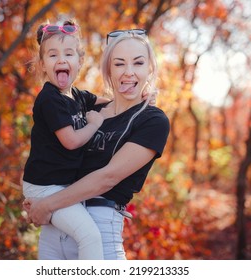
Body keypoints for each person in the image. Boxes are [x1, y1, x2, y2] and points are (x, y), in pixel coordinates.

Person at [24, 28, 170, 260]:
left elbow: (107, 178)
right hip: (56, 229)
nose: (129, 72)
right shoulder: (87, 112)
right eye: (119, 64)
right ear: (108, 70)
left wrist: (47, 204)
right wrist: (42, 196)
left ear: (149, 69)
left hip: (98, 232)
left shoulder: (152, 120)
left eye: (138, 63)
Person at [22, 19, 109, 260]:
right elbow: (70, 141)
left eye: (69, 53)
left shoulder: (77, 95)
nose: (61, 60)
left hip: (59, 185)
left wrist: (136, 98)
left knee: (52, 246)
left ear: (79, 61)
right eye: (52, 55)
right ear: (42, 65)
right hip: (45, 185)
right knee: (89, 236)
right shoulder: (50, 99)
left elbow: (108, 103)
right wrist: (93, 124)